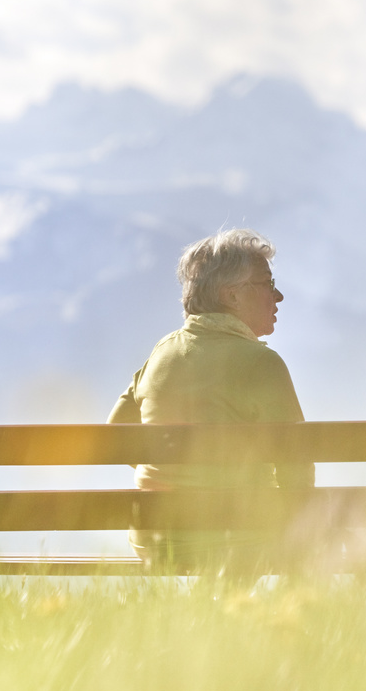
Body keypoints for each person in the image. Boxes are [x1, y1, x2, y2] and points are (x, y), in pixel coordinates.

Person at [108, 228, 311, 568]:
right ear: (232, 295)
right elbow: (298, 470)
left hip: (156, 539)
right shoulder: (262, 364)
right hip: (239, 538)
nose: (278, 297)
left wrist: (175, 475)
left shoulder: (162, 353)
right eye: (268, 284)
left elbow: (116, 435)